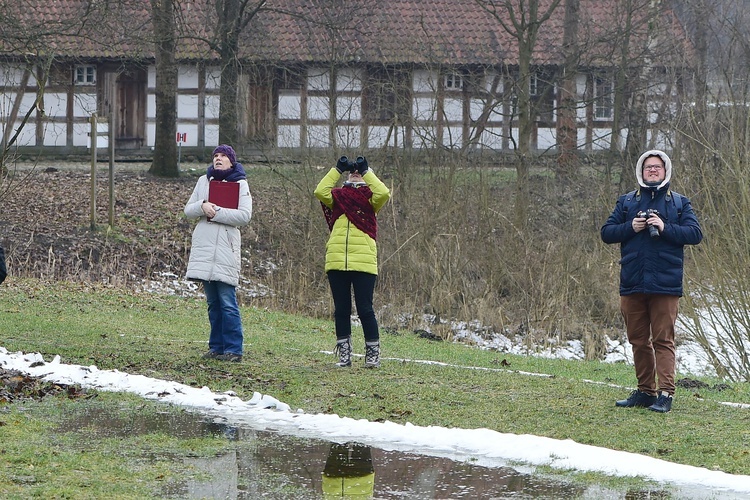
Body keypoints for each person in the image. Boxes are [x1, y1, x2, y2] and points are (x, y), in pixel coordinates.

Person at [601, 150, 702, 413]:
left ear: (666, 170)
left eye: (657, 167)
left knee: (663, 340)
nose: (653, 171)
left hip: (665, 284)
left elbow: (695, 233)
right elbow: (606, 233)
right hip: (632, 281)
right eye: (648, 167)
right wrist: (629, 227)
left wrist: (665, 226)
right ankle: (646, 391)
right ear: (641, 171)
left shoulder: (679, 203)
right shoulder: (627, 202)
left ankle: (666, 394)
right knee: (637, 339)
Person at [314, 155, 391, 368]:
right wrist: (337, 169)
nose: (355, 173)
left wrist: (367, 172)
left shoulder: (371, 199)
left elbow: (384, 192)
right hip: (337, 260)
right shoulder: (337, 197)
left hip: (364, 261)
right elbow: (320, 191)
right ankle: (344, 355)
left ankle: (373, 354)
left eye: (359, 172)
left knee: (365, 309)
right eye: (353, 171)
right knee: (341, 309)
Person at [184, 145, 252, 362]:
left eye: (223, 156)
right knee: (213, 302)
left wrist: (217, 212)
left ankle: (234, 349)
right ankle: (216, 347)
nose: (218, 159)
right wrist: (202, 206)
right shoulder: (203, 181)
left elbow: (244, 215)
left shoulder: (240, 183)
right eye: (216, 156)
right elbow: (188, 210)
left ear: (231, 161)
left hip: (225, 248)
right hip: (204, 249)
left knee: (227, 302)